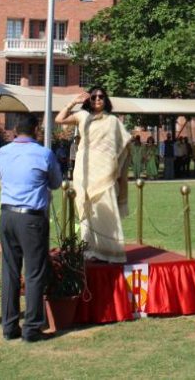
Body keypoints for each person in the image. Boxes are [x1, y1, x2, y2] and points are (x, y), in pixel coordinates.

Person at [0, 113, 62, 342]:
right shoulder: (43, 153)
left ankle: (9, 326)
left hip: (7, 215)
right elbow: (55, 182)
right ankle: (32, 328)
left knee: (10, 272)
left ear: (16, 130)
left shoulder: (3, 152)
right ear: (36, 130)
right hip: (31, 218)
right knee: (34, 273)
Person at [55, 86, 132, 263]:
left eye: (101, 97)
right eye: (94, 97)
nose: (97, 99)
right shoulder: (82, 115)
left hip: (106, 170)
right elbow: (60, 119)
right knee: (85, 206)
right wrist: (74, 102)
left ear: (106, 99)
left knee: (107, 208)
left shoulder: (113, 121)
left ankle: (110, 251)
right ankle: (88, 249)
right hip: (85, 168)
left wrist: (117, 167)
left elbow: (125, 143)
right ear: (88, 100)